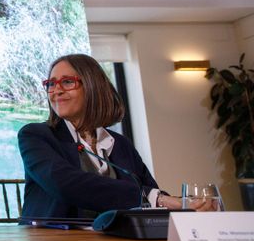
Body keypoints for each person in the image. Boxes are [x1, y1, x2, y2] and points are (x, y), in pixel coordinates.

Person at [18, 53, 213, 218]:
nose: (56, 90)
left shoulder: (120, 144)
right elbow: (65, 184)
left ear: (93, 86)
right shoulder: (34, 135)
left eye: (67, 82)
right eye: (51, 84)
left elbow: (149, 191)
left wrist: (188, 206)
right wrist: (159, 199)